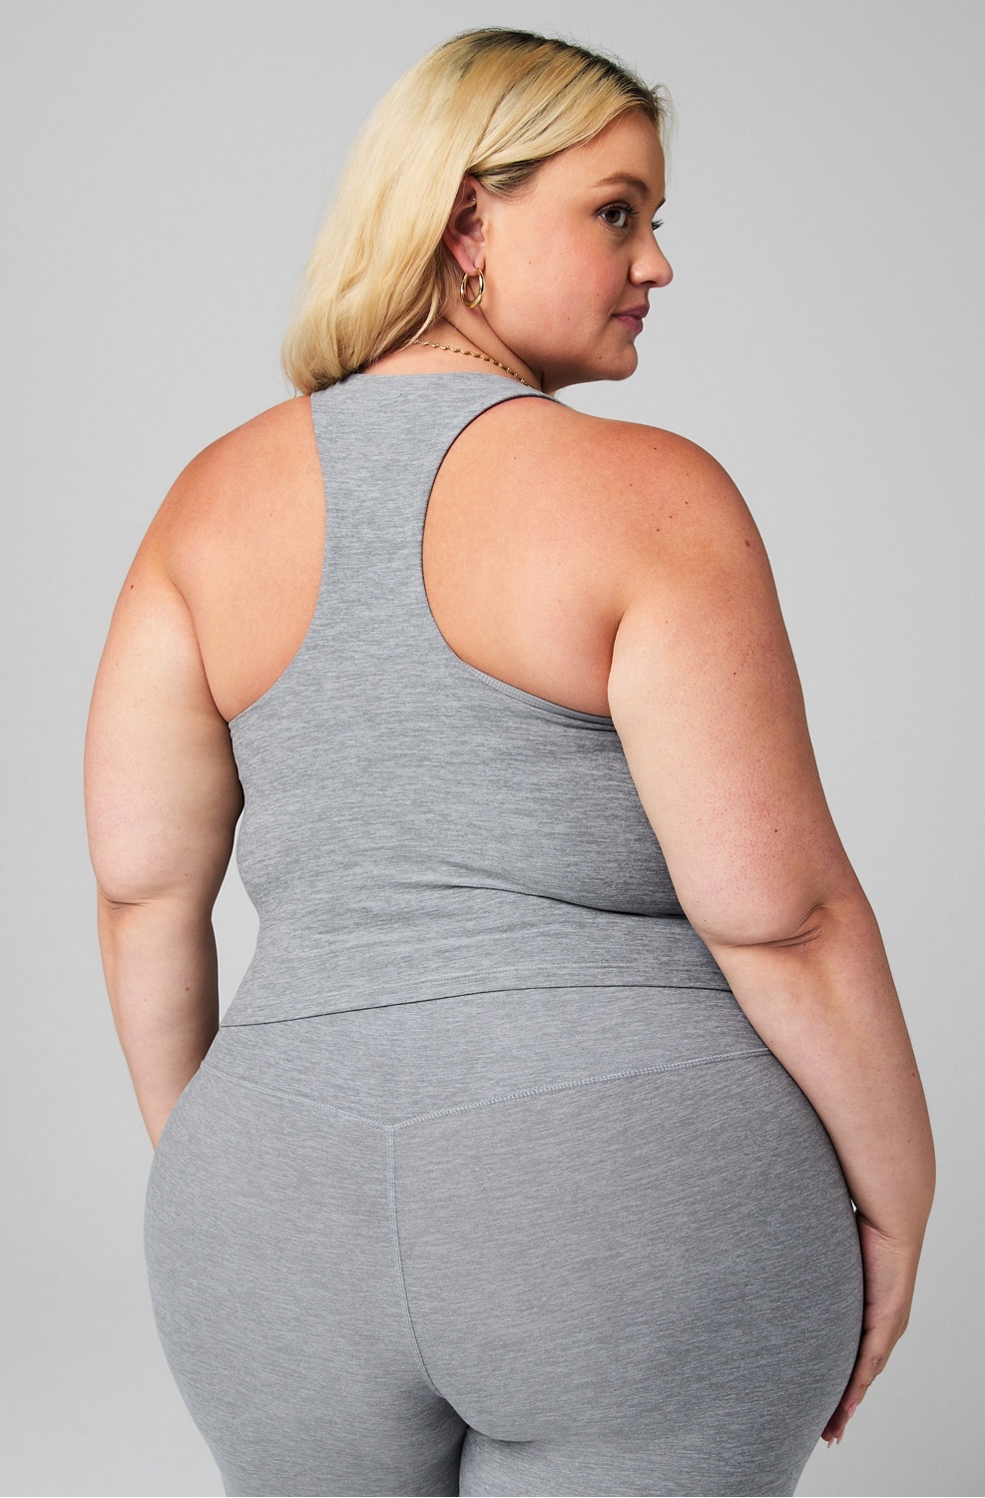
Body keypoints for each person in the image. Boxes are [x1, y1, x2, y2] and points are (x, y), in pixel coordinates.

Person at [83, 26, 935, 1498]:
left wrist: (232, 1177)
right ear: (467, 220)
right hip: (625, 1196)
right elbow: (781, 916)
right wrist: (902, 1196)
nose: (656, 262)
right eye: (617, 211)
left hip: (266, 1203)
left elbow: (140, 893)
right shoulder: (647, 496)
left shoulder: (200, 510)